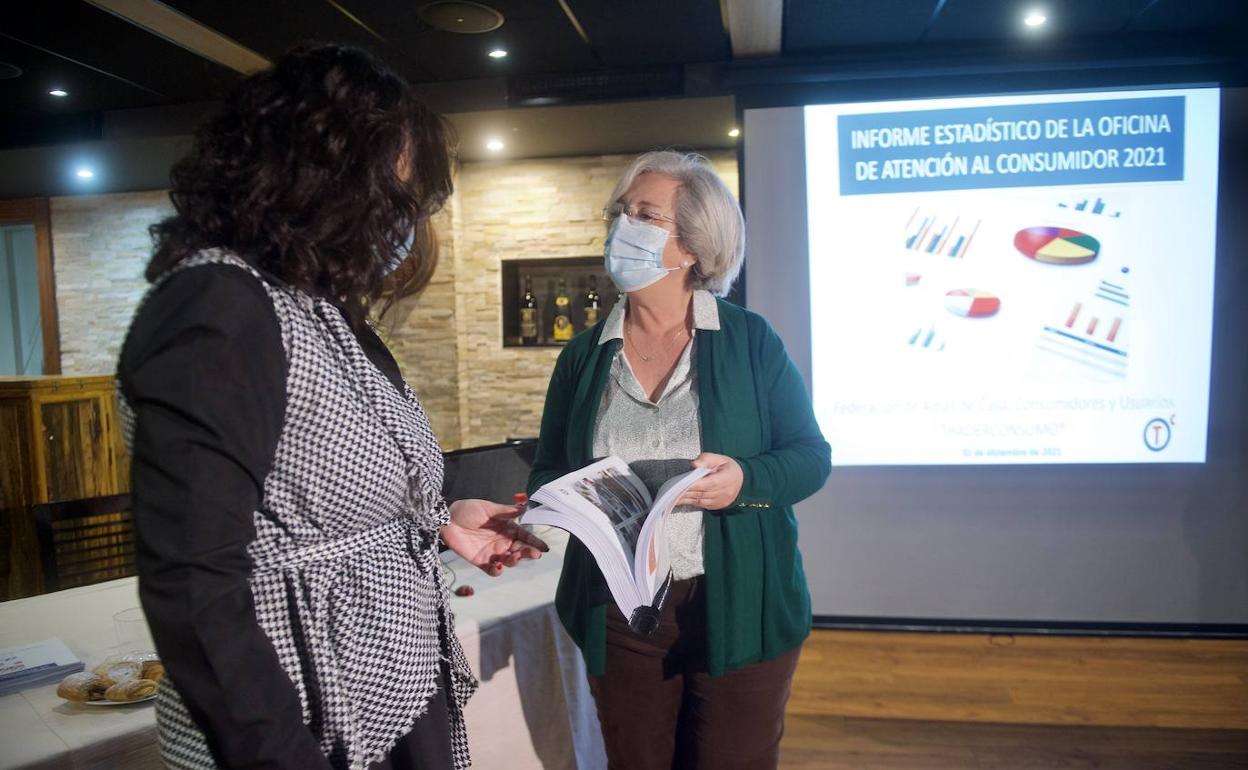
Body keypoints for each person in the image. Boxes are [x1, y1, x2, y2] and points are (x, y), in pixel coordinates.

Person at [117, 44, 546, 770]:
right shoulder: (219, 307)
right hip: (305, 721)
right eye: (397, 197)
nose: (407, 225)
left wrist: (441, 520)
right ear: (323, 177)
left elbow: (318, 492)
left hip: (386, 691)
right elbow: (193, 584)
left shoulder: (316, 308)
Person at [528, 150, 832, 769]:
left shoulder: (751, 341)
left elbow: (810, 457)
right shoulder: (583, 357)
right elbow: (548, 471)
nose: (622, 227)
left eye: (644, 214)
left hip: (740, 600)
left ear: (693, 246)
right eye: (621, 211)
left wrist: (744, 480)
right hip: (620, 612)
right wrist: (554, 506)